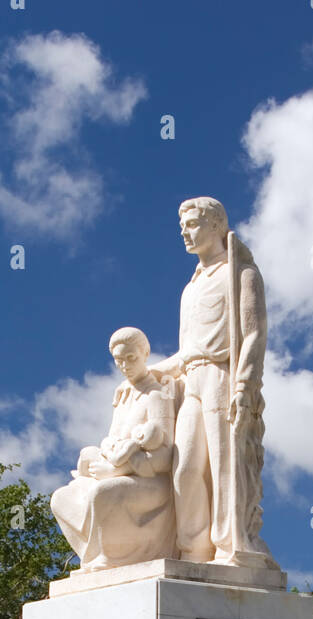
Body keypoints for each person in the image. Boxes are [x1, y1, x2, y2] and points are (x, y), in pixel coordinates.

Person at [151, 196, 277, 568]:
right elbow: (185, 350)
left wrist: (244, 385)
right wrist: (148, 374)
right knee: (186, 466)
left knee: (226, 464)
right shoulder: (189, 289)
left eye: (192, 224)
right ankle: (193, 550)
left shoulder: (241, 274)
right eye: (182, 227)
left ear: (217, 225)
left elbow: (254, 335)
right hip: (191, 379)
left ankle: (230, 546)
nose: (185, 233)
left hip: (223, 375)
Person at [50, 326, 177, 571]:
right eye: (119, 360)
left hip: (151, 482)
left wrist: (118, 469)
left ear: (145, 354)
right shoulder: (123, 397)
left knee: (104, 493)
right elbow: (111, 439)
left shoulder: (157, 396)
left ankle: (112, 558)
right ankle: (94, 556)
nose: (125, 366)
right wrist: (103, 455)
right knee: (61, 498)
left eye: (131, 358)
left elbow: (165, 456)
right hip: (114, 468)